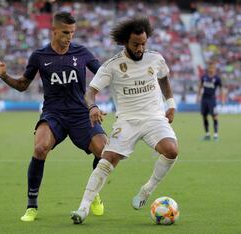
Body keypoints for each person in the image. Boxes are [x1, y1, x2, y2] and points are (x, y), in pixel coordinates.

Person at [0, 12, 107, 222]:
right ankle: (31, 206)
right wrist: (4, 76)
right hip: (54, 113)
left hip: (80, 113)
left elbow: (103, 74)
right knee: (40, 148)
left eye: (72, 32)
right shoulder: (39, 56)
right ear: (53, 31)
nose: (69, 37)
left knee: (104, 151)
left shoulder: (82, 52)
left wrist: (94, 103)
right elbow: (23, 85)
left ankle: (93, 192)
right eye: (65, 32)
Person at [70, 17, 178, 224]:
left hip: (154, 118)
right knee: (107, 159)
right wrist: (92, 107)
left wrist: (171, 104)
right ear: (125, 43)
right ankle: (83, 208)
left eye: (143, 44)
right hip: (127, 121)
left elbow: (164, 78)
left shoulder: (155, 59)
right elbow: (90, 92)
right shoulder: (112, 66)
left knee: (171, 150)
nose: (140, 48)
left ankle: (147, 190)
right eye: (136, 44)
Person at [196, 61, 224, 141]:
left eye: (212, 67)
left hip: (212, 99)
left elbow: (221, 89)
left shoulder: (217, 78)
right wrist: (197, 97)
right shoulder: (204, 77)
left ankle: (215, 135)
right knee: (204, 116)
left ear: (214, 69)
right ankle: (207, 134)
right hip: (204, 99)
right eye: (210, 67)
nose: (211, 69)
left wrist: (222, 99)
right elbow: (200, 87)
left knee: (214, 116)